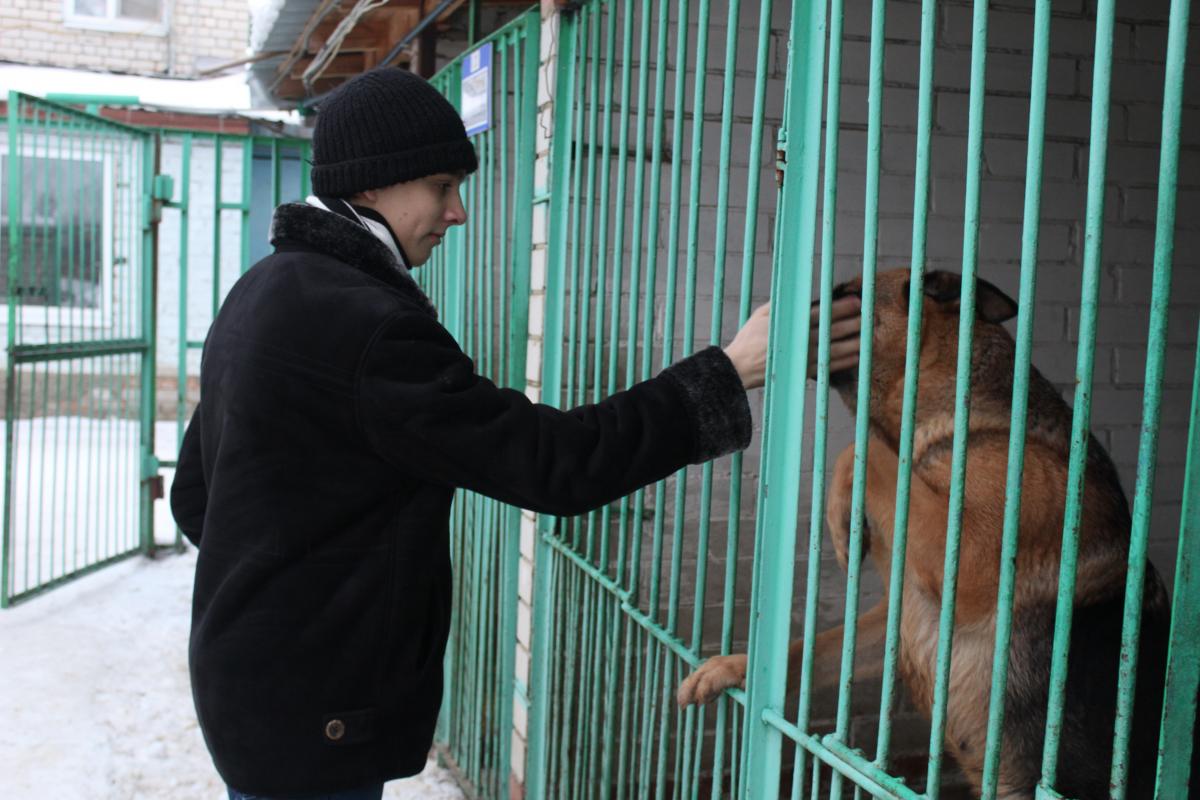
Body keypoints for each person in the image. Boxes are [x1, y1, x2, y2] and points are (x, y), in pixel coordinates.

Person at [170, 66, 773, 800]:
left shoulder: (261, 289)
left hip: (253, 690)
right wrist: (725, 373)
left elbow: (195, 499)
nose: (458, 213)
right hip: (313, 713)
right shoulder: (367, 327)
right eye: (442, 186)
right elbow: (555, 464)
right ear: (372, 186)